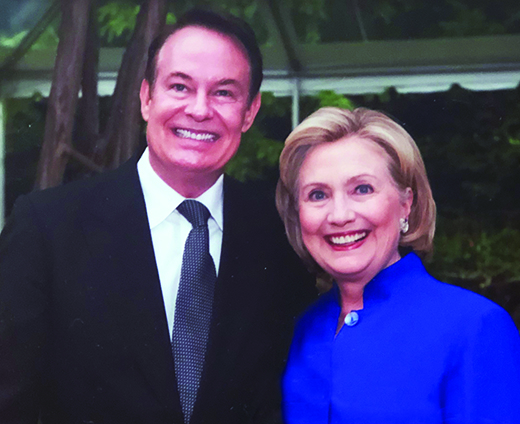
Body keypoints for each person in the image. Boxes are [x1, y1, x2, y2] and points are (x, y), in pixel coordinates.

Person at [0, 9, 316, 424]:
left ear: (249, 111)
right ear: (146, 97)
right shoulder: (48, 228)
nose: (199, 110)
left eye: (224, 92)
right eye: (180, 86)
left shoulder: (281, 238)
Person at [276, 107, 520, 423]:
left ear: (406, 203)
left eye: (362, 189)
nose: (339, 215)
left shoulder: (475, 326)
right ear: (298, 214)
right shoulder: (305, 327)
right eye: (318, 194)